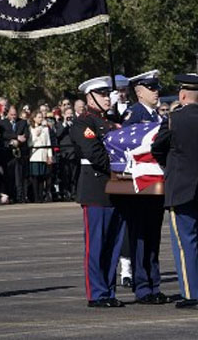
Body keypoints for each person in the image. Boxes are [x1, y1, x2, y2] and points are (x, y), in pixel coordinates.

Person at [150, 74, 198, 309]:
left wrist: (170, 166)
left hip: (181, 187)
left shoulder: (173, 119)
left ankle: (192, 295)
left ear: (182, 95)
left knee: (185, 244)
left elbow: (157, 148)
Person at [118, 70, 172, 305]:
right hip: (140, 187)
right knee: (140, 236)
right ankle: (142, 286)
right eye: (151, 88)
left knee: (153, 236)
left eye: (157, 87)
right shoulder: (135, 114)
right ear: (139, 92)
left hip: (156, 186)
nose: (156, 91)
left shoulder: (158, 117)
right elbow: (129, 145)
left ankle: (153, 283)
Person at [72, 75, 127, 308]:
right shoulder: (83, 122)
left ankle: (108, 290)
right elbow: (95, 154)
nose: (107, 98)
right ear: (90, 97)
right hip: (96, 188)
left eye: (108, 94)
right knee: (96, 244)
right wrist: (122, 165)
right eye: (102, 94)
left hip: (116, 187)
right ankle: (97, 293)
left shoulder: (110, 120)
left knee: (114, 244)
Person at [27, 112, 53, 203]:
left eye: (41, 117)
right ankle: (35, 196)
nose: (40, 119)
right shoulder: (31, 129)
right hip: (35, 155)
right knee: (35, 177)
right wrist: (36, 136)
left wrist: (50, 155)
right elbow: (30, 143)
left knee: (42, 177)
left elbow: (48, 142)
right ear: (34, 118)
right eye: (38, 117)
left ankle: (41, 196)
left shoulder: (45, 129)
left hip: (43, 155)